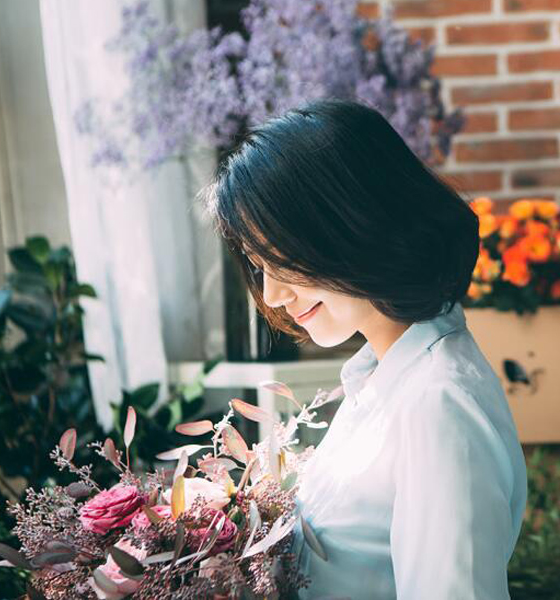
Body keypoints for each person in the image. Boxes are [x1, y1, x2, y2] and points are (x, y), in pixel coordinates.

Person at [202, 98, 527, 599]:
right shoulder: (381, 379)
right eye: (256, 263)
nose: (271, 295)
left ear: (351, 222)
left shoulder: (437, 404)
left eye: (280, 256)